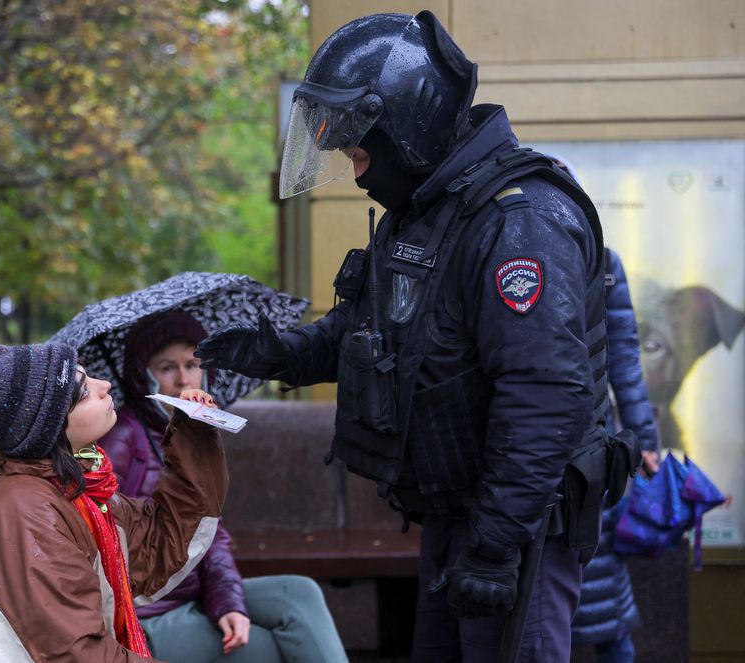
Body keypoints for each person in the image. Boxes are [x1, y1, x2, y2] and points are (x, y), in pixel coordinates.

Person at [196, 11, 636, 661]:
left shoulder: (520, 218)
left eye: (357, 143)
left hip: (519, 526)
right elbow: (367, 329)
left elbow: (545, 393)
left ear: (406, 120)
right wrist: (284, 353)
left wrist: (494, 546)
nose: (351, 159)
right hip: (456, 510)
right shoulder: (425, 213)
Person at [0, 341, 228, 662]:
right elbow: (77, 654)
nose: (104, 386)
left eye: (89, 377)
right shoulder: (26, 517)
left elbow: (160, 544)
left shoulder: (75, 488)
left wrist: (193, 430)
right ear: (46, 428)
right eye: (82, 391)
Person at [98, 309, 348, 663]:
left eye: (192, 364)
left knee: (299, 592)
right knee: (271, 648)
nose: (184, 379)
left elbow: (208, 535)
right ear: (144, 377)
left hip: (192, 594)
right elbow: (101, 527)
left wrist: (227, 605)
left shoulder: (197, 431)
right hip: (149, 615)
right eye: (167, 367)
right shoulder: (123, 435)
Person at [571, 247, 660, 662]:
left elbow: (624, 355)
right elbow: (624, 356)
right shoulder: (600, 257)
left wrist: (643, 441)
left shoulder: (601, 260)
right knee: (602, 589)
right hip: (591, 440)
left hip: (581, 442)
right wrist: (643, 440)